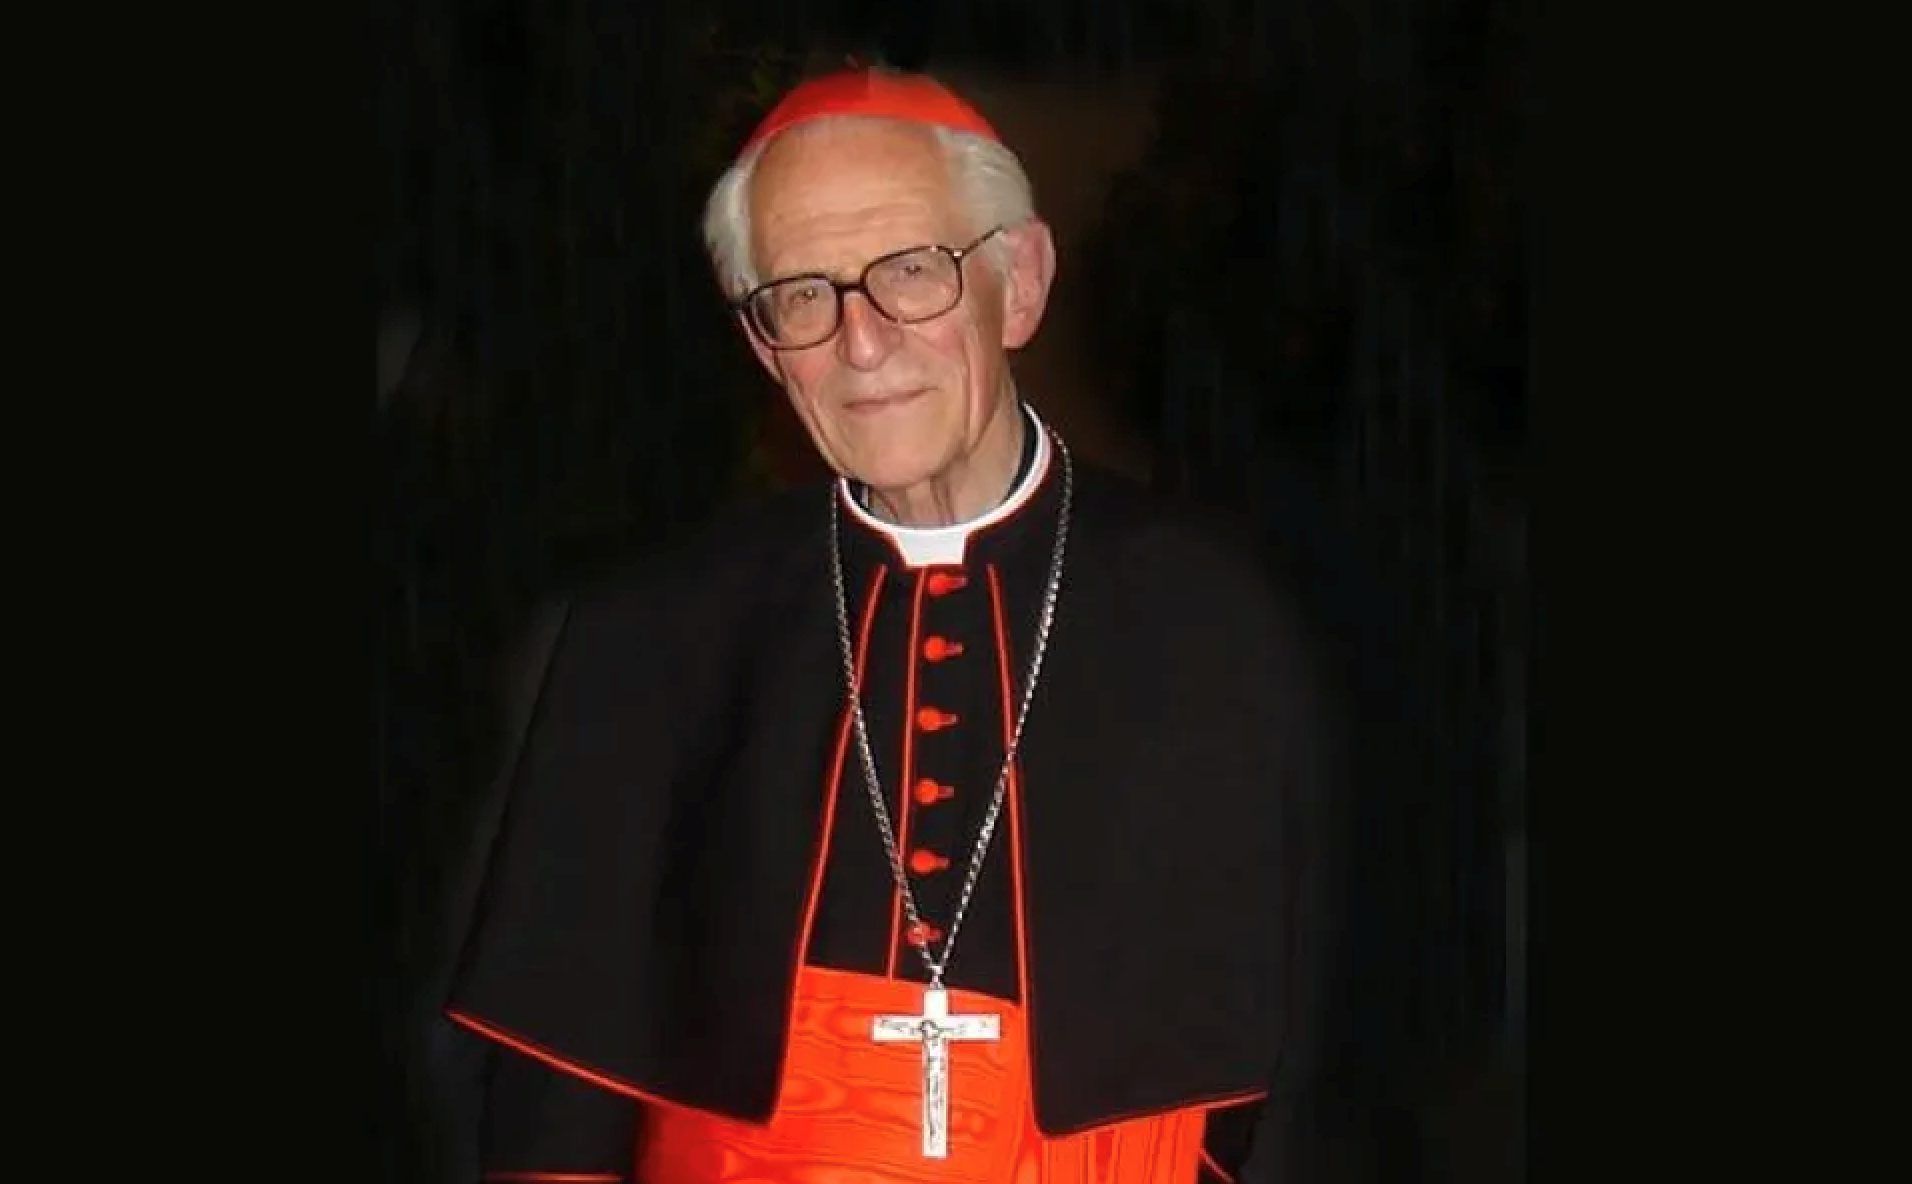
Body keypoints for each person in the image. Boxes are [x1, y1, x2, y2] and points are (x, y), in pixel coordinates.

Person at [439, 66, 1343, 1184]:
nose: (860, 345)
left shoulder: (1213, 617)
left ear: (1019, 285)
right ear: (766, 344)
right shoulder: (651, 635)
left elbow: (1302, 1078)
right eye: (801, 295)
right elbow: (556, 1106)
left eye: (911, 271)